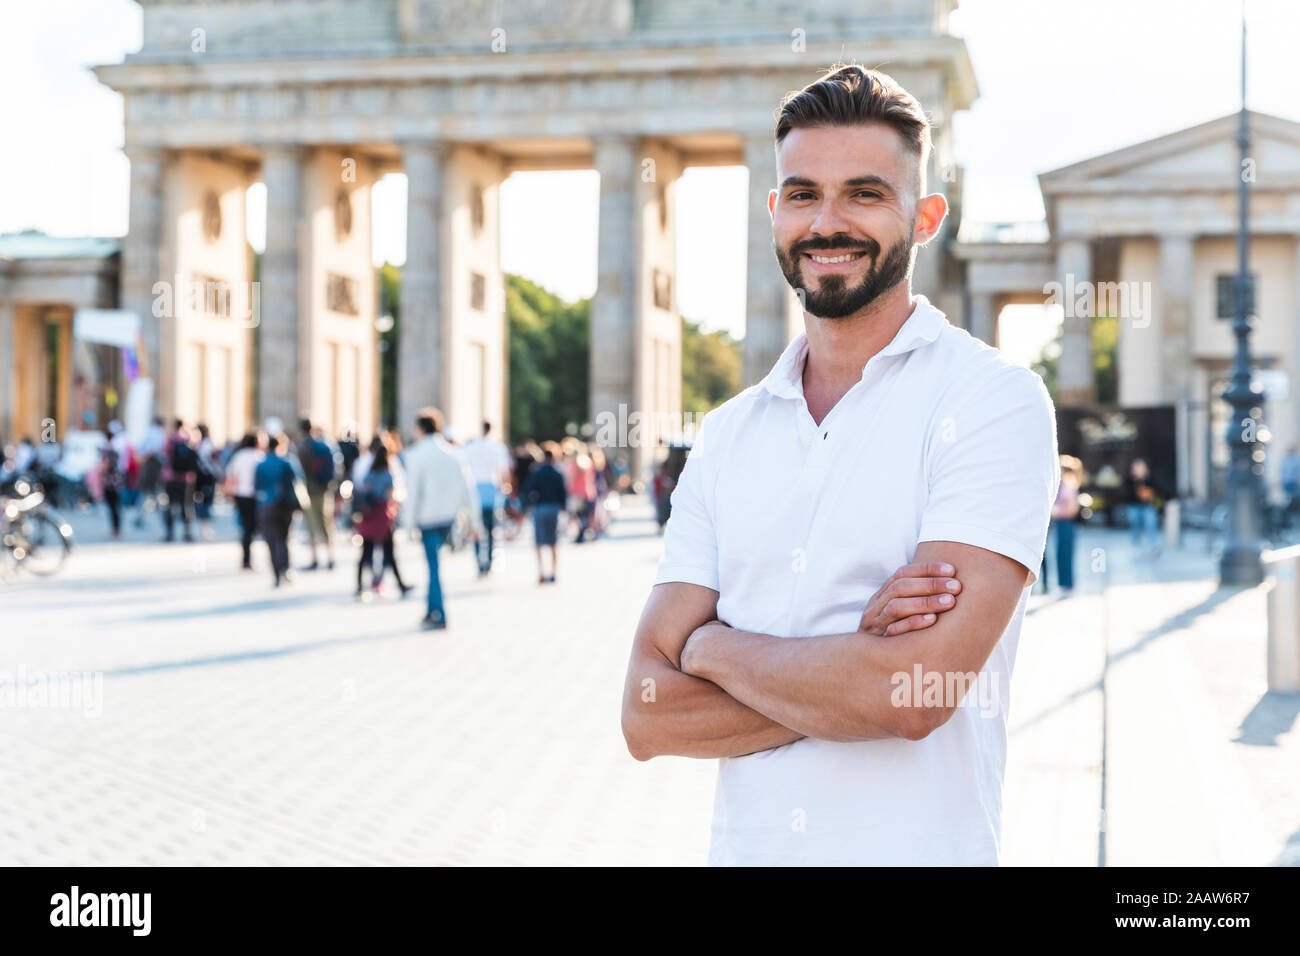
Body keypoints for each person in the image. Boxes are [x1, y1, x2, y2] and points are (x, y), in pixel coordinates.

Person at [620, 65, 1060, 866]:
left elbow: (912, 696)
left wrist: (712, 650)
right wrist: (853, 677)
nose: (828, 222)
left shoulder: (994, 402)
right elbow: (646, 714)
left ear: (925, 217)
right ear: (774, 212)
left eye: (864, 193)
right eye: (802, 194)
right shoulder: (727, 435)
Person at [403, 408, 484, 631]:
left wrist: (407, 526)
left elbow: (413, 494)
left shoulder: (415, 455)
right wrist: (475, 522)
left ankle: (437, 612)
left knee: (433, 567)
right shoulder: (454, 454)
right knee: (434, 567)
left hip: (427, 517)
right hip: (449, 516)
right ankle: (432, 609)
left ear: (420, 429)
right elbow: (468, 489)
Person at [353, 442, 412, 599]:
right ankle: (400, 584)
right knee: (389, 554)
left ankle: (359, 586)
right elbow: (391, 496)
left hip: (368, 516)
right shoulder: (387, 475)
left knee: (366, 553)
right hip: (382, 516)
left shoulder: (369, 473)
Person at [254, 433, 306, 587]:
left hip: (267, 505)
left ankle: (276, 572)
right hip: (285, 505)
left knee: (271, 540)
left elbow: (257, 486)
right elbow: (299, 480)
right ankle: (285, 569)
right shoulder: (288, 462)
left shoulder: (261, 464)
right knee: (284, 538)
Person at [462, 421, 511, 575]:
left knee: (476, 528)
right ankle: (488, 560)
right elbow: (503, 471)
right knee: (490, 529)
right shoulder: (496, 448)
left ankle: (479, 561)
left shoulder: (469, 448)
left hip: (475, 490)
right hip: (491, 489)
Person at [295, 418, 340, 571]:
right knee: (327, 524)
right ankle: (331, 557)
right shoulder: (325, 444)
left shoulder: (302, 447)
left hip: (310, 490)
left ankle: (315, 558)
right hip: (325, 489)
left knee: (312, 525)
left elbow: (299, 472)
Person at [521, 442, 568, 584]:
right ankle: (553, 572)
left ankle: (541, 571)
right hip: (553, 508)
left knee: (539, 542)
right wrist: (563, 508)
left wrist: (527, 505)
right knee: (553, 542)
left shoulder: (537, 472)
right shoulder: (557, 473)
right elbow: (563, 493)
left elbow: (528, 490)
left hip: (540, 508)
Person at [224, 431, 265, 570]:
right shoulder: (259, 457)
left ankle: (246, 558)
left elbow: (230, 475)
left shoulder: (238, 456)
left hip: (241, 495)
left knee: (246, 527)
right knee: (253, 527)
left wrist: (229, 493)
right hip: (255, 496)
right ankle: (249, 558)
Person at [161, 419, 197, 542]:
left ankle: (169, 533)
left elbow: (164, 455)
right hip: (186, 478)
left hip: (171, 477)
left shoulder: (170, 439)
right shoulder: (189, 437)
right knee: (186, 504)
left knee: (170, 504)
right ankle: (187, 532)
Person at [1051, 455, 1083, 594]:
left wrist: (1056, 513)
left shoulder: (1069, 487)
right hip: (1061, 523)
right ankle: (1063, 582)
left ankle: (1067, 582)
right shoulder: (1065, 485)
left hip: (1065, 523)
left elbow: (1071, 509)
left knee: (1065, 553)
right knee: (1060, 553)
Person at [1122, 457, 1161, 556]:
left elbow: (1157, 492)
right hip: (1134, 506)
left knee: (1151, 521)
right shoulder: (1129, 481)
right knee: (1134, 522)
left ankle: (1152, 545)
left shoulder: (1150, 480)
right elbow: (1127, 495)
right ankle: (1136, 545)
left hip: (1147, 506)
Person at [134, 416, 166, 527]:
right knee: (157, 491)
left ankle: (140, 516)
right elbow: (155, 450)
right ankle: (162, 517)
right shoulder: (159, 433)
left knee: (146, 491)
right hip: (154, 464)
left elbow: (140, 448)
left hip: (149, 464)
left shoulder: (149, 432)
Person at [193, 423, 220, 539]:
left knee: (204, 502)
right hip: (205, 476)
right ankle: (205, 527)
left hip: (205, 475)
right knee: (204, 502)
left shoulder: (204, 445)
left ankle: (204, 527)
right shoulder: (205, 444)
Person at [97, 426, 125, 538]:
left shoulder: (106, 451)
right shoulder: (116, 450)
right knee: (116, 506)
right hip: (117, 480)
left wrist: (100, 474)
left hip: (109, 482)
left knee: (112, 506)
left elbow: (105, 466)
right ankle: (117, 528)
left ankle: (115, 529)